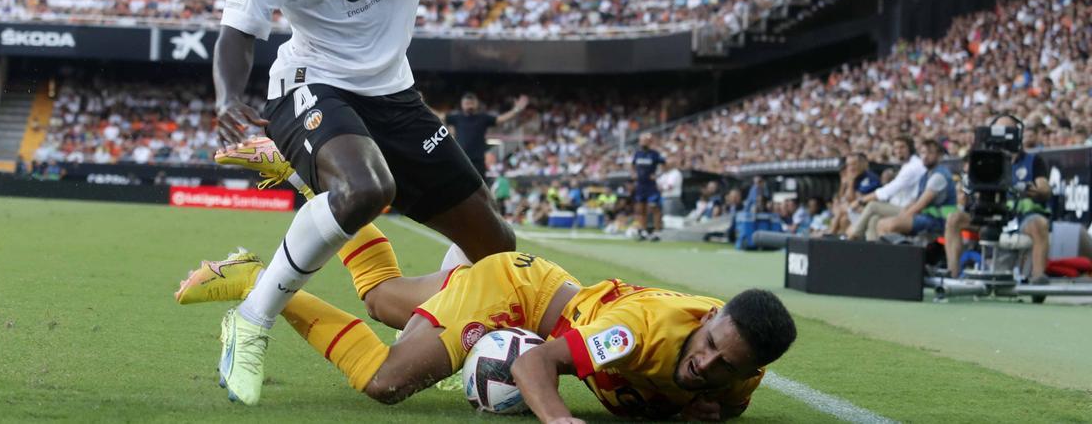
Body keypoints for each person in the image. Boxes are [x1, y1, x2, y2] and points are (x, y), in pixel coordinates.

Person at [209, 0, 688, 403]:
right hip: (311, 83)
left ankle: (440, 321)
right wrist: (226, 95)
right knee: (365, 189)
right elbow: (238, 33)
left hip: (392, 90)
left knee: (496, 249)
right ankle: (254, 316)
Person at [175, 221, 796, 421]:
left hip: (542, 286)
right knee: (386, 381)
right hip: (515, 296)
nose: (707, 363)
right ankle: (260, 280)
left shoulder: (737, 386)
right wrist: (556, 418)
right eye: (710, 344)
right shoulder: (637, 334)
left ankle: (318, 194)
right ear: (711, 316)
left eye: (725, 364)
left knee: (381, 298)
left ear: (753, 369)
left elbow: (710, 392)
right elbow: (533, 361)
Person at [944, 117, 1052, 283]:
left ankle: (1038, 279)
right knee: (954, 219)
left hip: (1019, 216)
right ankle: (952, 275)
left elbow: (1045, 188)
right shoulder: (982, 158)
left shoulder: (1033, 161)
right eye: (999, 130)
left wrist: (1032, 190)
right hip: (986, 213)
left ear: (1018, 134)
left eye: (1009, 130)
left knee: (1040, 224)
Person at [848, 137, 925, 241]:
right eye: (896, 148)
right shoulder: (908, 165)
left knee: (873, 206)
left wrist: (860, 200)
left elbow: (888, 190)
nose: (898, 151)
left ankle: (854, 235)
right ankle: (872, 248)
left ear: (910, 148)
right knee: (873, 219)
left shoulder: (913, 166)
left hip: (913, 210)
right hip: (903, 206)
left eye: (902, 147)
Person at [875, 140, 956, 238]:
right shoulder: (926, 175)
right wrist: (903, 212)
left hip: (939, 220)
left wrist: (901, 218)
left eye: (930, 153)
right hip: (927, 217)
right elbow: (914, 201)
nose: (925, 156)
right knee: (880, 222)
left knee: (889, 225)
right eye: (923, 153)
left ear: (939, 156)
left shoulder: (939, 175)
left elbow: (920, 205)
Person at [445, 92, 529, 183]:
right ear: (462, 104)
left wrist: (517, 110)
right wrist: (426, 108)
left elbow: (500, 119)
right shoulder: (456, 118)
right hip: (461, 160)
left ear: (477, 104)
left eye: (472, 103)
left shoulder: (483, 118)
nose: (469, 105)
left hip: (478, 161)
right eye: (467, 103)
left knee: (480, 188)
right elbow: (439, 116)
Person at [829, 153, 881, 236]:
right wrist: (843, 184)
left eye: (854, 164)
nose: (850, 167)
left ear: (862, 164)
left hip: (867, 212)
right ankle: (836, 238)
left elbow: (853, 200)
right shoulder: (856, 176)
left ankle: (831, 233)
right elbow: (842, 197)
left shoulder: (870, 177)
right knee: (843, 220)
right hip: (854, 211)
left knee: (841, 211)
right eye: (848, 165)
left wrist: (851, 182)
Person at [632, 132, 666, 241]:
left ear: (649, 142)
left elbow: (664, 165)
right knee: (640, 209)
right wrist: (634, 174)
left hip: (651, 186)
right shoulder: (637, 154)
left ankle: (657, 232)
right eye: (641, 140)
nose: (642, 143)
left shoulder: (654, 154)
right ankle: (643, 231)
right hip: (640, 185)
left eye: (644, 140)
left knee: (654, 207)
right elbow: (632, 166)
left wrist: (658, 175)